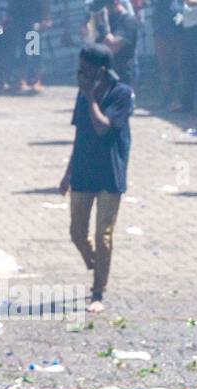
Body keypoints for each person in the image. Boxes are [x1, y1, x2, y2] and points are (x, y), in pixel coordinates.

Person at [59, 43, 132, 315]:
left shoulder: (121, 94)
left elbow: (103, 128)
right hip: (83, 171)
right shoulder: (82, 96)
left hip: (110, 173)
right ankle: (95, 262)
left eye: (85, 69)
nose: (80, 73)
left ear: (101, 70)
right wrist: (67, 173)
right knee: (77, 232)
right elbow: (80, 135)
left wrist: (91, 97)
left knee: (104, 236)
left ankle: (98, 291)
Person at [85, 0, 139, 86]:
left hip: (122, 78)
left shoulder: (128, 20)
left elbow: (113, 47)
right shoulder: (103, 20)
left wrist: (103, 27)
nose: (101, 10)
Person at [152, 0, 185, 109]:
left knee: (178, 68)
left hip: (178, 36)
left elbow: (184, 15)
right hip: (163, 36)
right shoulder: (159, 3)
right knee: (165, 68)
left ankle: (179, 98)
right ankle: (167, 97)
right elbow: (155, 19)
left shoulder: (179, 3)